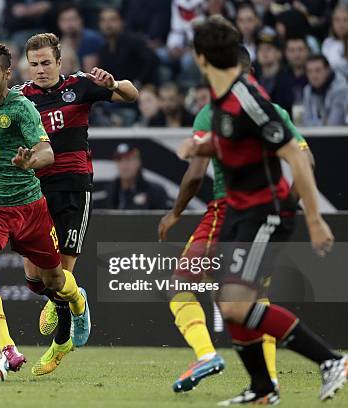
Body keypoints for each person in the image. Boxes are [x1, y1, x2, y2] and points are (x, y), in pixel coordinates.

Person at [182, 15, 345, 405]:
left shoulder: (248, 99)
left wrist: (315, 218)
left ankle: (330, 361)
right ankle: (262, 388)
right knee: (228, 300)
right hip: (240, 211)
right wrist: (202, 148)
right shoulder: (223, 100)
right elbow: (239, 145)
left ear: (201, 58)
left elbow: (297, 157)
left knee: (238, 303)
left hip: (266, 212)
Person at [159, 45, 312, 394]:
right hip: (268, 214)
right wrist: (289, 205)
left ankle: (206, 354)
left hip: (227, 210)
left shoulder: (213, 113)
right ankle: (269, 381)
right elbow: (305, 160)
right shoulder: (276, 113)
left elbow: (196, 174)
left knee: (180, 283)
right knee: (252, 297)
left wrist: (175, 213)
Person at [0, 40, 91, 372]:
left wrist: (28, 161)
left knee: (53, 281)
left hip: (33, 205)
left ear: (6, 74)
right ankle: (8, 348)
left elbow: (47, 153)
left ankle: (76, 304)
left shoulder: (22, 108)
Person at [11, 32, 136, 375]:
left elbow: (131, 94)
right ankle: (74, 301)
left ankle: (61, 343)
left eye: (46, 63)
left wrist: (115, 83)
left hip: (74, 189)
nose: (40, 70)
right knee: (34, 279)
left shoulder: (81, 85)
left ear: (59, 62)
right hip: (34, 191)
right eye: (34, 64)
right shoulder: (20, 98)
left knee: (59, 275)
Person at [101, 143, 169, 210]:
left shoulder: (155, 192)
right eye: (119, 160)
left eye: (128, 159)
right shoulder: (109, 192)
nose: (124, 164)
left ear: (138, 162)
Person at [302, 54, 348, 126]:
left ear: (327, 70)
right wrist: (323, 122)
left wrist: (315, 123)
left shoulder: (340, 89)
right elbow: (305, 122)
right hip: (314, 135)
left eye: (318, 70)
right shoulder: (307, 90)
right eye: (309, 71)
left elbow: (334, 123)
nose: (314, 76)